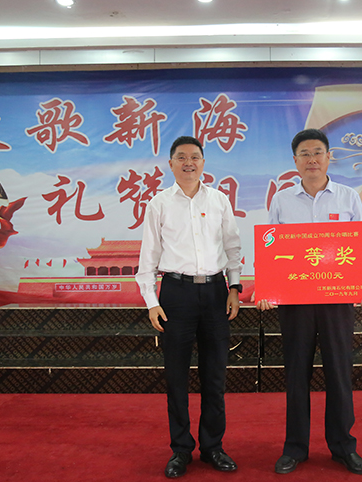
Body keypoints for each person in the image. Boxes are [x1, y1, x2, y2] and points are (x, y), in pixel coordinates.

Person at [257, 128, 362, 476]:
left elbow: (360, 246)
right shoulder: (282, 200)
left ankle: (343, 447)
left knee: (339, 373)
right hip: (294, 302)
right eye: (305, 154)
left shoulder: (347, 197)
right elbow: (271, 248)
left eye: (317, 153)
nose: (312, 159)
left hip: (336, 301)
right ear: (295, 161)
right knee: (296, 373)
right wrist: (266, 289)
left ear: (329, 157)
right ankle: (295, 448)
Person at [136, 136, 243, 479]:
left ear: (203, 162)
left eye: (195, 157)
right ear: (171, 164)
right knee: (176, 377)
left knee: (215, 376)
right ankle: (181, 449)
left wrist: (234, 288)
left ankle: (213, 447)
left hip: (215, 293)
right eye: (181, 157)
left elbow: (233, 247)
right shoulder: (159, 203)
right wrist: (152, 302)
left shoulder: (219, 200)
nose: (188, 163)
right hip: (175, 295)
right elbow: (148, 257)